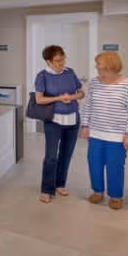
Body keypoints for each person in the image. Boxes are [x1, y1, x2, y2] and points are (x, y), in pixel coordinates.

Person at [81, 51, 128, 210]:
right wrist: (85, 126)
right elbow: (89, 106)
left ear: (109, 65)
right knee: (94, 163)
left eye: (98, 64)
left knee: (115, 166)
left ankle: (115, 196)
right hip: (95, 133)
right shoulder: (94, 82)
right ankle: (98, 191)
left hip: (117, 136)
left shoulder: (127, 84)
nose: (96, 67)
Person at [34, 45, 85, 204]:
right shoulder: (42, 76)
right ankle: (46, 189)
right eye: (57, 61)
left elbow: (81, 92)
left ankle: (60, 183)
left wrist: (72, 96)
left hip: (73, 120)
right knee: (51, 157)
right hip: (54, 121)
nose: (61, 63)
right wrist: (58, 98)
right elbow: (39, 99)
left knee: (66, 154)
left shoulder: (70, 73)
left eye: (62, 59)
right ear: (48, 61)